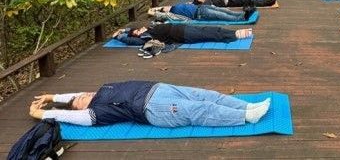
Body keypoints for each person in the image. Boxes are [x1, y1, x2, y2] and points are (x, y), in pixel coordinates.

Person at [29, 81, 271, 127]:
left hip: (160, 88)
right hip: (152, 109)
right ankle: (246, 118)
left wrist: (52, 97)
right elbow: (69, 116)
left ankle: (245, 107)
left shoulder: (100, 91)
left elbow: (74, 95)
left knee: (207, 96)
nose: (80, 98)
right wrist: (43, 113)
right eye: (78, 102)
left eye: (80, 96)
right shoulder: (95, 113)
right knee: (199, 110)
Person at [112, 24, 253, 46]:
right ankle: (235, 36)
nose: (139, 30)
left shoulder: (148, 28)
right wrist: (118, 36)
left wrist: (123, 30)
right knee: (208, 35)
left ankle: (231, 32)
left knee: (210, 28)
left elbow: (129, 29)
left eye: (138, 29)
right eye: (136, 32)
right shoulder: (145, 37)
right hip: (183, 35)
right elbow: (130, 40)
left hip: (183, 28)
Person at [148, 2, 256, 22]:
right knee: (222, 15)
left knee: (225, 10)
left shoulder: (174, 6)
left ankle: (243, 14)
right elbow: (153, 13)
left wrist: (158, 7)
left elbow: (163, 7)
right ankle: (243, 18)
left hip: (202, 7)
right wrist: (155, 11)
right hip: (199, 14)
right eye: (163, 9)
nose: (165, 8)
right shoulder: (171, 14)